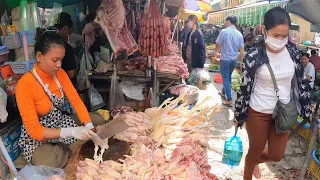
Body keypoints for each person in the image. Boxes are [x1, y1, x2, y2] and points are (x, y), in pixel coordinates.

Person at [234, 7, 311, 180]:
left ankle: (253, 162)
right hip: (258, 112)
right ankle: (248, 170)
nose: (280, 40)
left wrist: (306, 106)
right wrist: (238, 116)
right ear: (264, 30)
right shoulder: (254, 55)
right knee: (255, 150)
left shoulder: (293, 52)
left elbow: (300, 82)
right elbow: (244, 88)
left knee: (276, 155)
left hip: (283, 112)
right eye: (276, 35)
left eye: (284, 36)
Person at [15, 31, 105, 168]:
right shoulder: (25, 85)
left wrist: (89, 127)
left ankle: (68, 147)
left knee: (97, 120)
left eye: (61, 60)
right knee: (49, 161)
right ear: (39, 57)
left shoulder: (60, 74)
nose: (59, 65)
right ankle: (69, 147)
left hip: (60, 122)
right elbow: (35, 131)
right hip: (39, 135)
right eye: (54, 60)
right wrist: (71, 132)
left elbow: (76, 101)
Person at [215, 15, 245, 107]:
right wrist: (242, 60)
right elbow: (242, 49)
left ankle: (229, 99)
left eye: (225, 21)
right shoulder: (239, 34)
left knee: (225, 78)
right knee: (228, 77)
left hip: (225, 59)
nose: (225, 23)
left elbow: (218, 44)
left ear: (228, 21)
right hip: (234, 60)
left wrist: (216, 52)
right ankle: (224, 93)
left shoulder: (224, 31)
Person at [54, 12, 77, 81]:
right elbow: (71, 73)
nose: (68, 33)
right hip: (63, 86)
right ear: (65, 28)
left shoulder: (47, 43)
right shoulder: (66, 48)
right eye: (68, 30)